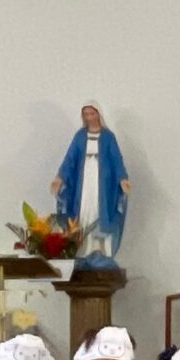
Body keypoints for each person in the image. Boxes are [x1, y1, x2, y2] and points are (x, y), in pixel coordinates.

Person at [50, 103, 131, 266]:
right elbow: (70, 159)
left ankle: (102, 251)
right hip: (84, 184)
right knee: (84, 212)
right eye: (86, 114)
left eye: (92, 114)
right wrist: (60, 178)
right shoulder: (80, 136)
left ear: (98, 114)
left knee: (100, 212)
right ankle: (83, 251)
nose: (89, 117)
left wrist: (122, 179)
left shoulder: (108, 137)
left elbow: (116, 159)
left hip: (103, 186)